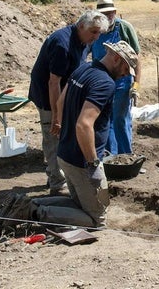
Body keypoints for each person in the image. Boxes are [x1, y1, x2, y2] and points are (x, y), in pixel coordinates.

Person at [0, 41, 138, 235]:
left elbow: (61, 100)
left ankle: (27, 202)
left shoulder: (84, 69)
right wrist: (93, 164)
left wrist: (63, 130)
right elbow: (84, 124)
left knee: (78, 204)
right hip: (81, 162)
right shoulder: (104, 83)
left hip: (65, 154)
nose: (125, 74)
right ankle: (32, 211)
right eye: (125, 68)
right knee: (96, 221)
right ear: (116, 58)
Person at [28, 10, 109, 196]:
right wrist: (57, 115)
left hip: (65, 93)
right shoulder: (61, 44)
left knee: (65, 134)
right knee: (53, 136)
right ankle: (57, 184)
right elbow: (53, 82)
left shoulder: (85, 40)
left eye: (99, 33)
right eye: (94, 32)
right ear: (81, 26)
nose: (96, 37)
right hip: (47, 95)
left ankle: (58, 174)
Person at [90, 0, 142, 155]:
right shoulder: (94, 31)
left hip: (122, 82)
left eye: (109, 13)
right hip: (100, 83)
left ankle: (126, 157)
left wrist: (136, 86)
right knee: (104, 121)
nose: (106, 17)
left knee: (120, 120)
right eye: (102, 15)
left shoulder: (124, 28)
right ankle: (109, 158)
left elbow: (137, 58)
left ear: (115, 12)